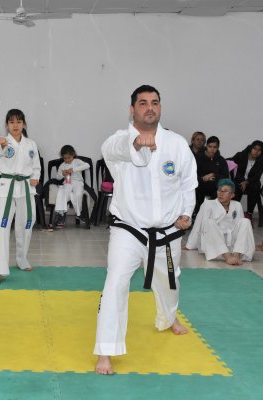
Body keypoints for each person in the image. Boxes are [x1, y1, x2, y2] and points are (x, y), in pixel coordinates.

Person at [94, 85, 196, 375]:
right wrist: (137, 143)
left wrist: (186, 212)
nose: (149, 107)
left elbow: (188, 184)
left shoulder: (176, 144)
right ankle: (106, 351)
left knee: (169, 281)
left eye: (154, 102)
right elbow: (108, 150)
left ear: (160, 107)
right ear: (132, 109)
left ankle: (168, 317)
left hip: (167, 232)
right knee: (115, 284)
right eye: (142, 103)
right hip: (128, 230)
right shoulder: (119, 141)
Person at [0, 109, 40, 285]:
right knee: (2, 227)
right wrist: (2, 144)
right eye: (12, 122)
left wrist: (35, 177)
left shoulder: (31, 144)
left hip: (26, 187)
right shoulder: (2, 142)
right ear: (6, 125)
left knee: (27, 222)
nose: (16, 125)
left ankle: (22, 259)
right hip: (7, 187)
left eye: (19, 122)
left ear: (24, 124)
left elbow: (36, 165)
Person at [185, 179, 254, 265]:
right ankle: (227, 257)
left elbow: (240, 228)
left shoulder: (237, 205)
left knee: (245, 222)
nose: (221, 193)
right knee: (209, 222)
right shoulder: (208, 204)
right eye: (219, 190)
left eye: (225, 191)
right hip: (213, 242)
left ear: (232, 195)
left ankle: (236, 255)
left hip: (231, 243)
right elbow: (198, 225)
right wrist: (190, 245)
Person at [52, 144, 90, 227]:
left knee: (78, 194)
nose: (67, 160)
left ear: (73, 155)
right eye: (65, 158)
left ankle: (79, 213)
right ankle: (61, 216)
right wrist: (62, 174)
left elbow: (87, 165)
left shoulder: (77, 161)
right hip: (67, 182)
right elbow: (58, 177)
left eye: (69, 158)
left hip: (78, 182)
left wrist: (74, 169)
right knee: (63, 195)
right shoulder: (62, 165)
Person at [230, 140, 263, 221]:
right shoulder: (241, 155)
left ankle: (249, 213)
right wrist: (242, 181)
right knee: (236, 186)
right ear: (251, 148)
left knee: (256, 186)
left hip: (251, 182)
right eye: (255, 148)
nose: (256, 151)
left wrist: (246, 182)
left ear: (262, 151)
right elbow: (233, 165)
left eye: (259, 150)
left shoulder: (262, 159)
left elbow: (257, 175)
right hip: (239, 180)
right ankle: (234, 212)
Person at [194, 135, 229, 215]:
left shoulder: (221, 160)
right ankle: (197, 214)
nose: (212, 149)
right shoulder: (198, 158)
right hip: (200, 184)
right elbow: (192, 174)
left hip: (215, 186)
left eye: (215, 147)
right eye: (210, 146)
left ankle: (214, 215)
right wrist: (203, 178)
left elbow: (225, 176)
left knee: (219, 192)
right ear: (206, 146)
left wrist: (213, 175)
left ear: (218, 147)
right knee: (197, 193)